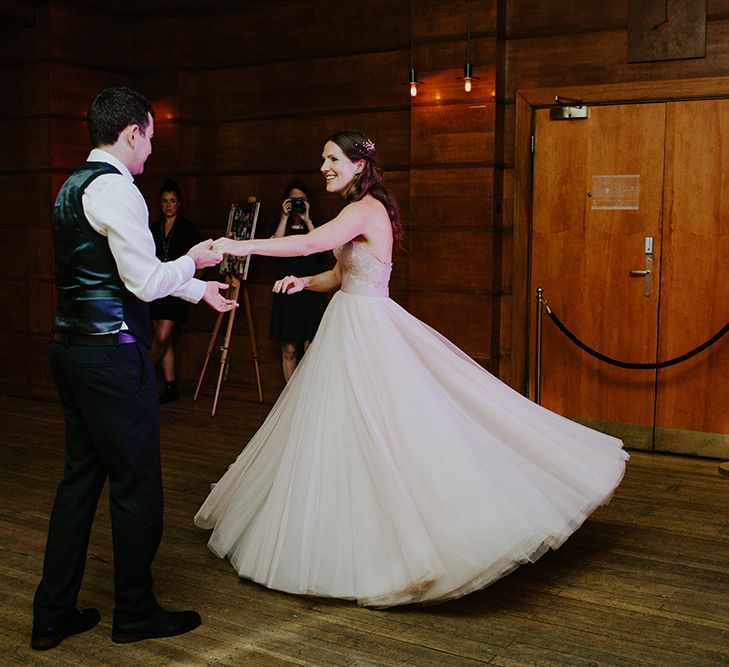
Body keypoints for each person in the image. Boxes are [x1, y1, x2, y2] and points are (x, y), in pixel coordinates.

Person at [195, 130, 629, 607]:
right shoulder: (357, 210)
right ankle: (347, 530)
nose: (324, 167)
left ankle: (414, 541)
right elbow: (339, 273)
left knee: (391, 433)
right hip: (347, 324)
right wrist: (306, 282)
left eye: (332, 159)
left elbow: (307, 243)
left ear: (358, 165)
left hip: (368, 331)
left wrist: (241, 246)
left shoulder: (363, 210)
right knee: (343, 432)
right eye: (323, 159)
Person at [32, 87, 237, 651]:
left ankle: (51, 615)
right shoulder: (120, 191)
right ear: (132, 132)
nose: (151, 147)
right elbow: (144, 282)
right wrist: (193, 261)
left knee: (79, 481)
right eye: (150, 134)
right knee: (136, 483)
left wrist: (198, 291)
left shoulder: (70, 188)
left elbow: (112, 273)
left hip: (69, 348)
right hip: (111, 357)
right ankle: (136, 612)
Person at [269, 180, 327, 381]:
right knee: (289, 349)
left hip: (310, 291)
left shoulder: (314, 225)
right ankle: (290, 400)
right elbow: (274, 248)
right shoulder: (282, 226)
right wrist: (284, 217)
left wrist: (307, 219)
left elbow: (320, 247)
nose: (297, 204)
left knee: (311, 348)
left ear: (307, 202)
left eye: (301, 200)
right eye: (293, 200)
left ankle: (307, 397)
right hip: (287, 293)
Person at [149, 179, 201, 403]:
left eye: (172, 201)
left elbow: (200, 259)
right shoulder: (153, 228)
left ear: (179, 203)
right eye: (164, 201)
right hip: (157, 287)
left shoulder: (188, 228)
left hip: (177, 289)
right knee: (163, 340)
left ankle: (143, 377)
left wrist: (194, 284)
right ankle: (171, 386)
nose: (168, 205)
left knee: (162, 337)